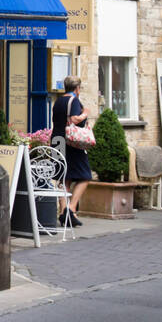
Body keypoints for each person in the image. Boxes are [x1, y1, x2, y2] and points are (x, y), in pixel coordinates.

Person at [53, 76, 91, 226]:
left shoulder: (58, 101)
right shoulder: (73, 100)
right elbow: (75, 119)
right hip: (71, 142)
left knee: (64, 177)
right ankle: (71, 208)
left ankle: (63, 214)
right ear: (77, 88)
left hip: (57, 140)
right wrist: (85, 113)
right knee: (85, 176)